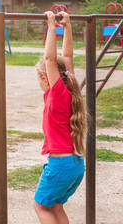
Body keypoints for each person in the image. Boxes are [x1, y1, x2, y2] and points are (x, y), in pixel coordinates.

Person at [33, 11, 87, 224]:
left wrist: (51, 24)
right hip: (75, 164)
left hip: (61, 165)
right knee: (55, 207)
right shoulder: (70, 89)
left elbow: (50, 59)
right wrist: (67, 27)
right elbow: (68, 58)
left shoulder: (57, 95)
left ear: (45, 78)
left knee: (41, 206)